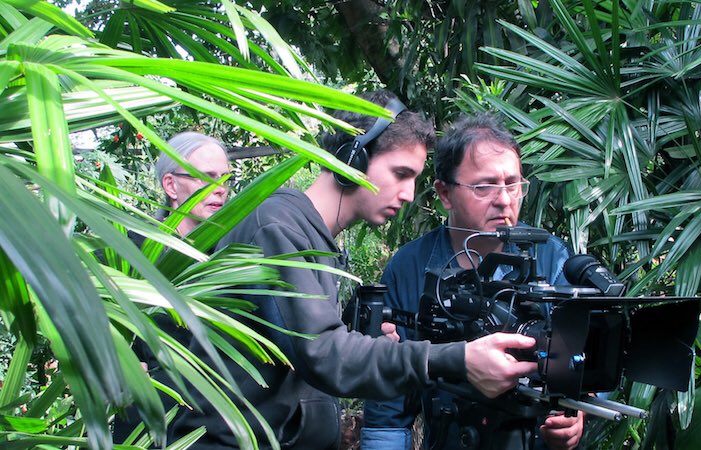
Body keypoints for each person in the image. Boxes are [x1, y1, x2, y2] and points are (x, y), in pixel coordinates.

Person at [169, 91, 541, 449]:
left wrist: (360, 338)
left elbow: (297, 351)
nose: (410, 194)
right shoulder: (277, 228)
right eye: (400, 173)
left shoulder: (314, 237)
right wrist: (454, 358)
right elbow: (323, 355)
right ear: (352, 160)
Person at [361, 114, 584, 450]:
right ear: (445, 193)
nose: (505, 200)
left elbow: (586, 362)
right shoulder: (409, 267)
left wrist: (575, 416)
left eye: (512, 184)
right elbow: (387, 408)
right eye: (484, 186)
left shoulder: (551, 258)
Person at [112, 131, 230, 443]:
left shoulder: (234, 252)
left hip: (216, 426)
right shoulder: (131, 247)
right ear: (170, 185)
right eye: (206, 178)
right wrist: (115, 356)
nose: (220, 189)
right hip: (147, 422)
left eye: (225, 178)